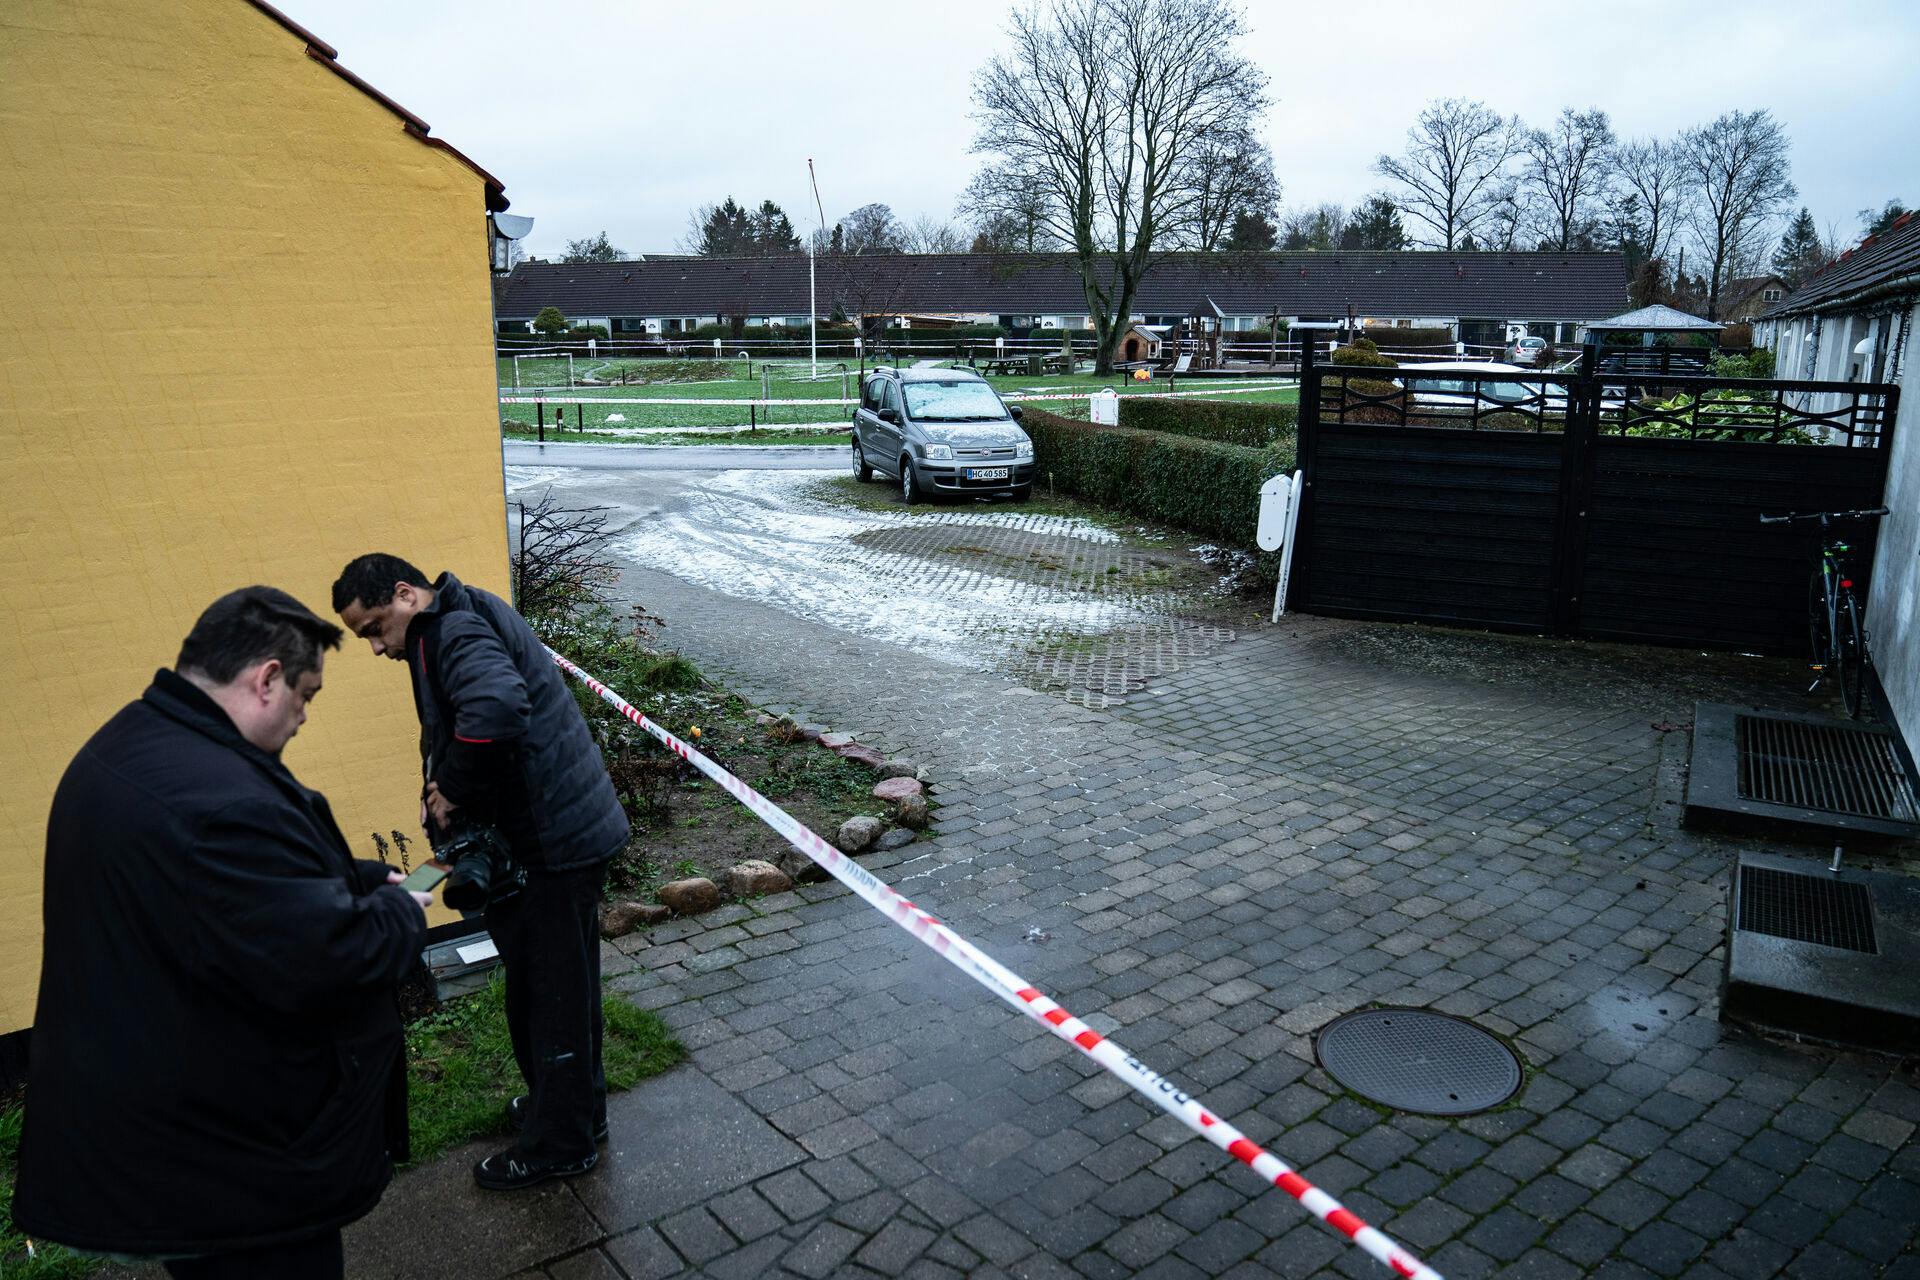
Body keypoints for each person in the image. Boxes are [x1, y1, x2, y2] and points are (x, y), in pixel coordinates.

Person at [12, 587, 433, 1280]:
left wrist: (341, 877)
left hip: (158, 1123)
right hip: (230, 1167)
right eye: (306, 695)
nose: (304, 716)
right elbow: (335, 957)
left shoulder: (130, 745)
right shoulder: (222, 805)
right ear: (266, 678)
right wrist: (400, 912)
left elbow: (222, 897)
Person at [331, 554, 629, 1191]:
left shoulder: (452, 631)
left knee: (545, 1000)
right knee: (565, 993)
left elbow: (495, 710)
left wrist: (451, 791)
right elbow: (471, 719)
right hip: (560, 835)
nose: (378, 647)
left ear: (406, 594)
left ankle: (559, 1144)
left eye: (375, 628)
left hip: (549, 847)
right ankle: (576, 1113)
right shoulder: (462, 612)